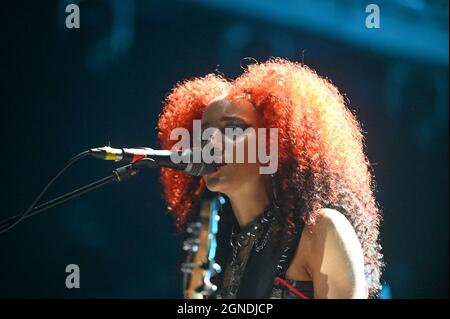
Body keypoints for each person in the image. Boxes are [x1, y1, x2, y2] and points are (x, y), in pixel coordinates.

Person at [157, 58, 383, 299]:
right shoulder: (224, 248)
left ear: (275, 144)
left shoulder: (322, 230)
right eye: (205, 132)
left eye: (232, 129)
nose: (211, 142)